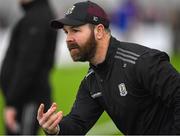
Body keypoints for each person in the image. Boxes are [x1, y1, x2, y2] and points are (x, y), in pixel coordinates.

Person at [37, 1, 180, 135]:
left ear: (99, 31)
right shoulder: (92, 81)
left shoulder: (141, 61)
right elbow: (77, 123)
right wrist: (55, 128)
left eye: (75, 30)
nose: (68, 38)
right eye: (66, 32)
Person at [0, 0, 57, 134]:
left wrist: (12, 103)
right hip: (25, 99)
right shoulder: (34, 15)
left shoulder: (37, 18)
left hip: (28, 100)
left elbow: (28, 65)